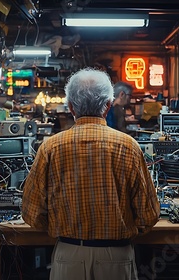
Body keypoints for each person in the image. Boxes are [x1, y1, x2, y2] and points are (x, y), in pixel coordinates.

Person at [22, 68, 160, 280]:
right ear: (107, 106)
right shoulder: (129, 146)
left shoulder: (50, 147)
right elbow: (148, 216)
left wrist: (62, 224)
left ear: (70, 107)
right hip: (116, 257)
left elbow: (32, 214)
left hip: (68, 256)